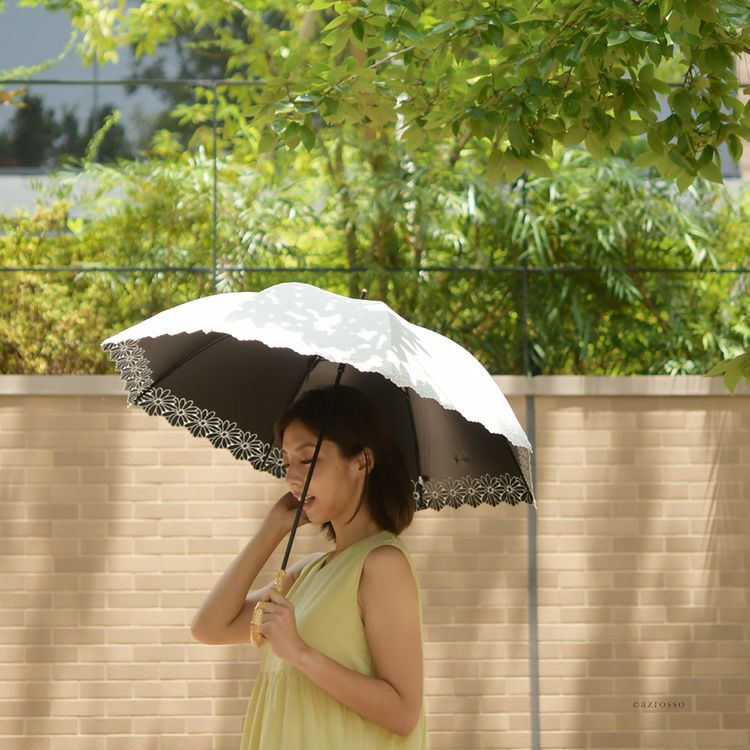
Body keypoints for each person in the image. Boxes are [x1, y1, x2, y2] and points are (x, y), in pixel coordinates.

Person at [190, 385, 428, 749]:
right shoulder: (308, 571)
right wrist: (272, 530)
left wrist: (299, 653)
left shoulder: (382, 564)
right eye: (286, 463)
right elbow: (209, 627)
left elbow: (403, 711)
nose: (292, 477)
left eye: (307, 460)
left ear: (361, 462)